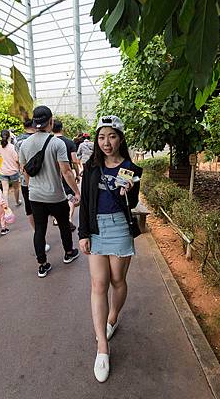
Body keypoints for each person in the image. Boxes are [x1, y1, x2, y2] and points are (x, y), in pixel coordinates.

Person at [78, 115, 143, 383]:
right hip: (96, 228)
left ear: (120, 138)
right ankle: (102, 348)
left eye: (112, 136)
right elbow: (84, 202)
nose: (106, 142)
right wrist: (83, 233)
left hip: (119, 227)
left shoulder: (132, 169)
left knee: (118, 280)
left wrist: (129, 191)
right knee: (98, 284)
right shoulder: (91, 167)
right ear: (97, 139)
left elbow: (134, 202)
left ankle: (113, 317)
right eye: (102, 137)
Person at [18, 106, 81, 278]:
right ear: (51, 121)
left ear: (35, 122)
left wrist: (32, 187)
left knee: (39, 229)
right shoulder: (57, 143)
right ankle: (69, 253)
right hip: (56, 195)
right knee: (63, 226)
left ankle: (42, 265)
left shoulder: (24, 144)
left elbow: (24, 170)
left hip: (35, 196)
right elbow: (67, 171)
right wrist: (77, 192)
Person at [16, 119, 51, 252]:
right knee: (44, 209)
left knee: (30, 209)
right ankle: (41, 238)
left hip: (26, 181)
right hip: (44, 179)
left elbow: (19, 162)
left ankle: (37, 234)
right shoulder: (42, 138)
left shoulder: (18, 140)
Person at [52, 120, 80, 231]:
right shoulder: (69, 142)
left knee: (56, 194)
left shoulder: (49, 143)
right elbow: (74, 160)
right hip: (66, 172)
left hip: (53, 174)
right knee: (71, 195)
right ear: (61, 128)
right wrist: (77, 174)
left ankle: (56, 218)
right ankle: (68, 218)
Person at [0, 130, 22, 208]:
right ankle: (17, 202)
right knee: (16, 188)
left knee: (5, 189)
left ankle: (6, 206)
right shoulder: (12, 147)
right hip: (13, 171)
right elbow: (17, 159)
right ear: (9, 137)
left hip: (3, 172)